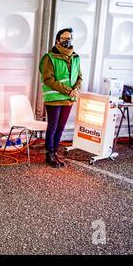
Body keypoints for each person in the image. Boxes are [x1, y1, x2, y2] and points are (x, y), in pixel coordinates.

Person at [39, 28, 82, 168]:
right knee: (53, 126)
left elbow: (79, 76)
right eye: (64, 38)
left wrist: (75, 89)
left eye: (69, 38)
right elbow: (48, 79)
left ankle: (55, 152)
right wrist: (69, 91)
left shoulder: (75, 57)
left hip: (68, 98)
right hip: (54, 98)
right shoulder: (49, 57)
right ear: (57, 40)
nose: (67, 41)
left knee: (61, 127)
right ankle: (49, 154)